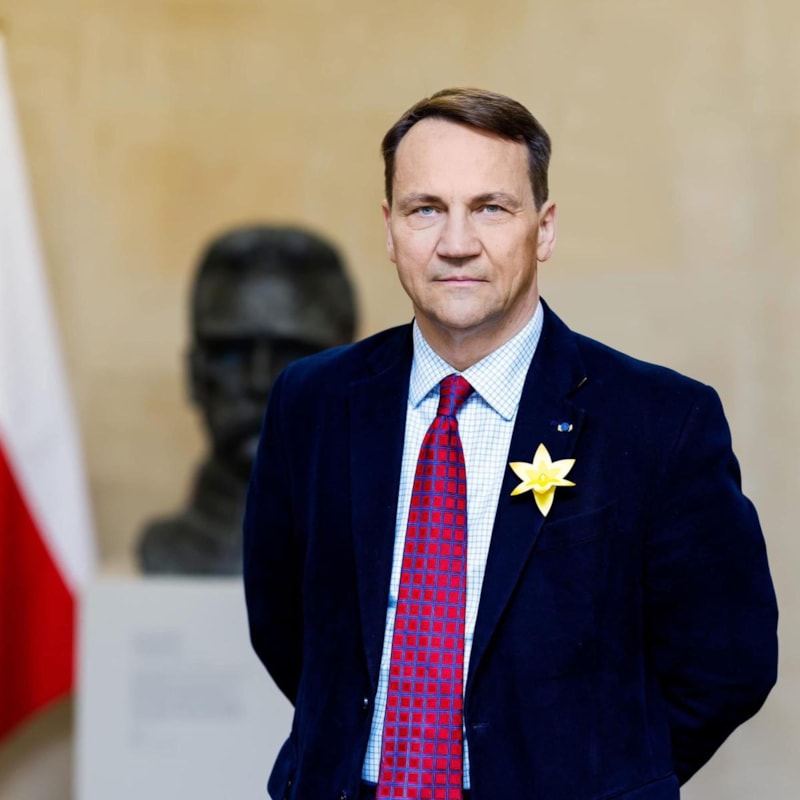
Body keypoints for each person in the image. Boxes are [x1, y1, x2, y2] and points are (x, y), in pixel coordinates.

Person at [243, 89, 778, 799]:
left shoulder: (659, 422)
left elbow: (728, 661)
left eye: (491, 208)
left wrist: (603, 779)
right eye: (425, 209)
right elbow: (283, 625)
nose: (456, 243)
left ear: (544, 229)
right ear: (390, 228)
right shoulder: (311, 402)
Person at [138, 224, 356, 575]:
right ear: (195, 375)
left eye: (292, 354)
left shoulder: (382, 552)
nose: (260, 381)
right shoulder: (163, 551)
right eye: (231, 355)